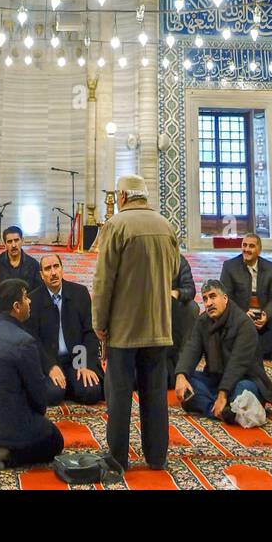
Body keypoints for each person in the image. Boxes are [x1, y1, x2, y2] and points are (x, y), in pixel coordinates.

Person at [92, 174, 180, 472]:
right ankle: (157, 457)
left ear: (123, 196)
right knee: (155, 394)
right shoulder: (166, 225)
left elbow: (104, 281)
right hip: (158, 326)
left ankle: (118, 458)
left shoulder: (116, 226)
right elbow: (175, 270)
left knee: (118, 396)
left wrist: (99, 322)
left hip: (123, 329)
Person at [0, 278, 65, 468]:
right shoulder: (23, 341)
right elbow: (39, 399)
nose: (30, 302)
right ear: (17, 306)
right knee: (54, 439)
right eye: (26, 298)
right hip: (5, 429)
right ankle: (7, 455)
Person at [175, 279, 272, 423]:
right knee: (188, 383)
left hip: (244, 379)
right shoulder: (202, 321)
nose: (208, 303)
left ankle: (220, 406)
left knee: (243, 391)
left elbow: (237, 364)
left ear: (225, 298)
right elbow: (191, 348)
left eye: (213, 296)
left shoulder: (244, 324)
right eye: (205, 299)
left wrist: (222, 394)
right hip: (215, 379)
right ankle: (222, 411)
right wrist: (181, 376)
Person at [26, 251, 103, 405]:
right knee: (52, 395)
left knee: (91, 391)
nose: (53, 272)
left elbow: (89, 332)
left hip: (76, 359)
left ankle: (71, 384)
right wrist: (50, 367)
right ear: (41, 275)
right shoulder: (33, 299)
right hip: (50, 361)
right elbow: (33, 340)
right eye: (48, 269)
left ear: (62, 269)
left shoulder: (79, 292)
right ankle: (66, 386)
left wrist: (84, 364)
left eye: (56, 266)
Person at [219, 231, 272, 359]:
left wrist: (266, 315)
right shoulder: (230, 266)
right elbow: (225, 297)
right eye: (244, 245)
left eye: (251, 246)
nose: (246, 249)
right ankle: (261, 352)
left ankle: (250, 353)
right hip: (239, 314)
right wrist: (243, 313)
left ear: (259, 250)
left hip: (262, 313)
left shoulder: (270, 268)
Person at [168, 253, 199, 388]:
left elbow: (190, 289)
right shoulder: (147, 258)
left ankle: (182, 361)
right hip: (151, 306)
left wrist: (177, 293)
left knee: (192, 307)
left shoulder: (180, 261)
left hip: (174, 304)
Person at [0, 226, 42, 292]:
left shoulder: (33, 264)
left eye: (16, 240)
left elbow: (38, 290)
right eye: (9, 241)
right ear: (4, 244)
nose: (13, 245)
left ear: (22, 241)